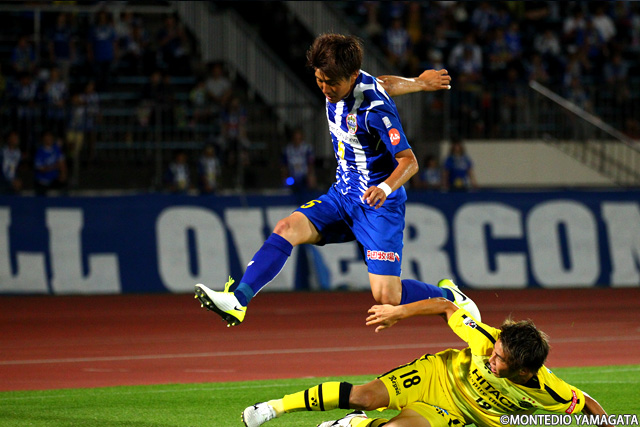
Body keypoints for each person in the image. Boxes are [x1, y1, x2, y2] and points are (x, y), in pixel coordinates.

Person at [194, 33, 459, 327]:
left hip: (378, 205)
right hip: (342, 197)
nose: (325, 88)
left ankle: (450, 297)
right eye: (320, 80)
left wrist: (384, 188)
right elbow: (383, 82)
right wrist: (419, 82)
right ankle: (238, 300)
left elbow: (409, 161)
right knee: (286, 228)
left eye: (332, 83)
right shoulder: (348, 79)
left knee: (387, 296)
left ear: (352, 76)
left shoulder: (377, 111)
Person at [241, 284, 612, 427]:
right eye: (495, 352)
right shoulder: (486, 339)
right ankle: (273, 408)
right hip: (436, 374)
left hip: (453, 412)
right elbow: (445, 306)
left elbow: (588, 404)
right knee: (364, 396)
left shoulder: (549, 390)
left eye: (501, 361)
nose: (492, 360)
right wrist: (397, 312)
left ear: (525, 373)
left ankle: (353, 425)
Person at [281, 128, 316, 194]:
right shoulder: (287, 149)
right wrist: (285, 176)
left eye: (299, 139)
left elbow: (311, 163)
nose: (297, 141)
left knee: (311, 179)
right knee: (286, 183)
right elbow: (284, 165)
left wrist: (310, 175)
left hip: (304, 175)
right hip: (292, 175)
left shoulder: (307, 148)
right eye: (295, 139)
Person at [34, 131, 67, 196]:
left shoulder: (56, 149)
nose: (49, 139)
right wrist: (54, 166)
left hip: (54, 179)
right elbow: (41, 169)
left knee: (64, 187)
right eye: (47, 138)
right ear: (43, 139)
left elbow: (62, 163)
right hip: (42, 181)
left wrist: (63, 174)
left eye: (50, 137)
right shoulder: (40, 152)